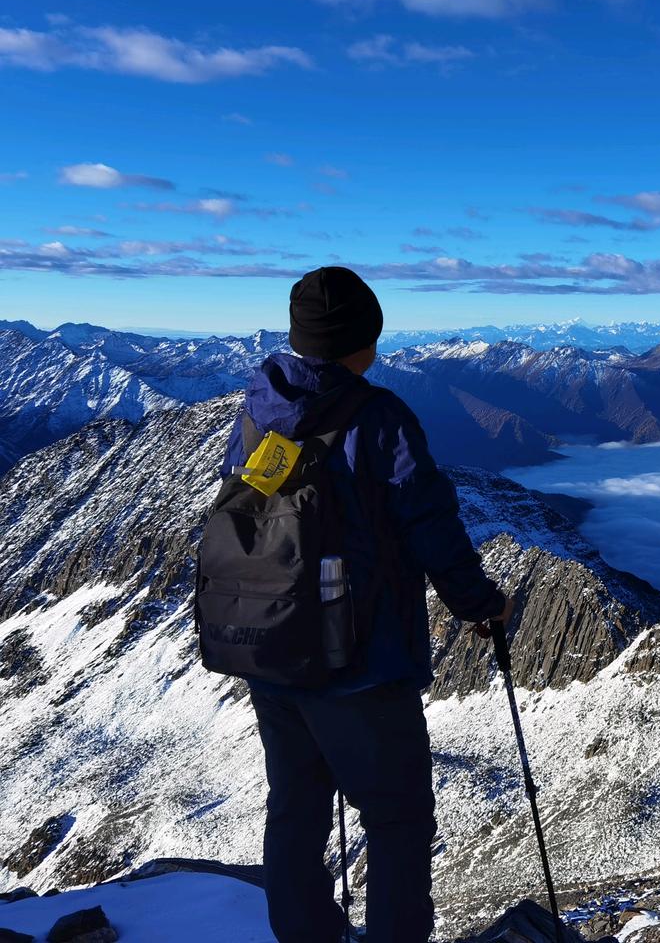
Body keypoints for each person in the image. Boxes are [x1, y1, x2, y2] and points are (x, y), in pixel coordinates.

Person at [218, 265, 513, 943]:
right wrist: (481, 603)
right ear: (363, 339)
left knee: (295, 807)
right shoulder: (381, 418)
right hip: (360, 662)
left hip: (271, 649)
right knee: (398, 818)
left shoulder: (256, 410)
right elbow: (431, 527)